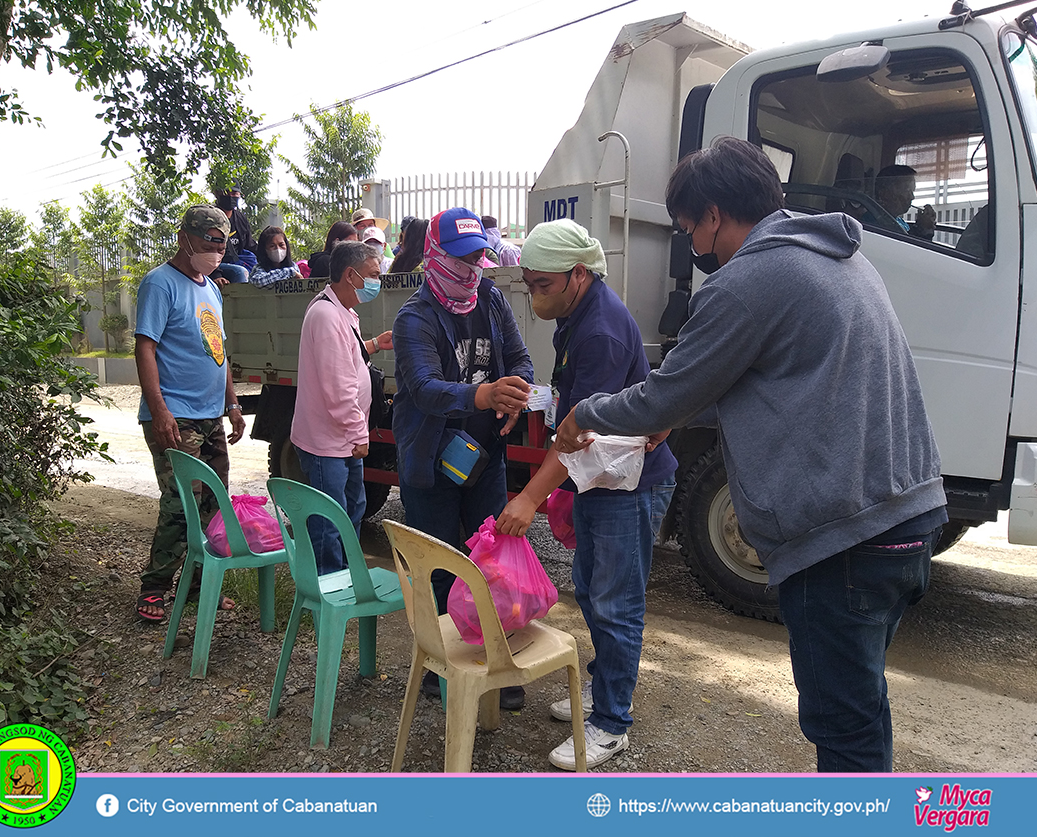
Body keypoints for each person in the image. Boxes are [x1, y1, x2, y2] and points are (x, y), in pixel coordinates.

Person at [554, 137, 947, 773]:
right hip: (907, 519)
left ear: (713, 214)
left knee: (842, 729)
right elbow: (780, 376)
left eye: (690, 228)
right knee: (861, 707)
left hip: (841, 539)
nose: (695, 246)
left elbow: (665, 393)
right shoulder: (836, 256)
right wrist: (681, 414)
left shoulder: (751, 279)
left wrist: (585, 414)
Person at [495, 219, 677, 770]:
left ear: (578, 275)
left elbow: (574, 438)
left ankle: (611, 723)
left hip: (631, 483)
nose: (533, 295)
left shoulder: (598, 330)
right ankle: (604, 688)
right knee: (592, 589)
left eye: (542, 284)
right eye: (527, 284)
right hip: (603, 476)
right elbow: (574, 415)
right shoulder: (575, 315)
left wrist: (527, 498)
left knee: (616, 603)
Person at [391, 207, 533, 709]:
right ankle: (441, 667)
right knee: (441, 563)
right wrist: (484, 395)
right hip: (431, 459)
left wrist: (514, 394)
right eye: (461, 257)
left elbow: (519, 359)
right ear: (434, 256)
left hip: (485, 454)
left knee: (492, 560)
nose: (472, 266)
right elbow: (426, 390)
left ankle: (497, 662)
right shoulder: (414, 317)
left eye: (478, 256)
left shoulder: (491, 298)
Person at [133, 205, 247, 622]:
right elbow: (144, 347)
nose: (217, 250)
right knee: (182, 504)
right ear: (186, 238)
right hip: (174, 413)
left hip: (209, 414)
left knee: (214, 506)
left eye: (222, 243)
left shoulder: (211, 288)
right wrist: (159, 410)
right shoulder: (159, 284)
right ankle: (154, 588)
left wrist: (231, 403)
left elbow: (219, 349)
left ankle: (200, 585)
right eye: (209, 242)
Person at [289, 241, 392, 574]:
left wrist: (373, 345)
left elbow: (345, 358)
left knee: (353, 508)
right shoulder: (325, 315)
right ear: (351, 275)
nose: (378, 281)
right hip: (329, 443)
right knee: (330, 518)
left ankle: (347, 575)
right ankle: (326, 587)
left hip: (342, 440)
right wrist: (358, 433)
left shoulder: (343, 312)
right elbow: (338, 387)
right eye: (374, 275)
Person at [875, 164, 936, 239]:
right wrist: (923, 229)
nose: (912, 197)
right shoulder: (876, 223)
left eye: (912, 191)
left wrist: (923, 227)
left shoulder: (898, 221)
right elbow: (906, 247)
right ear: (885, 194)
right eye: (907, 190)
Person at [212, 185, 258, 283]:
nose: (230, 196)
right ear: (216, 194)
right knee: (240, 272)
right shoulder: (210, 218)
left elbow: (250, 245)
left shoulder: (240, 218)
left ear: (240, 195)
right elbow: (206, 250)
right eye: (225, 193)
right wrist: (216, 274)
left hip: (237, 261)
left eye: (234, 193)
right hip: (215, 264)